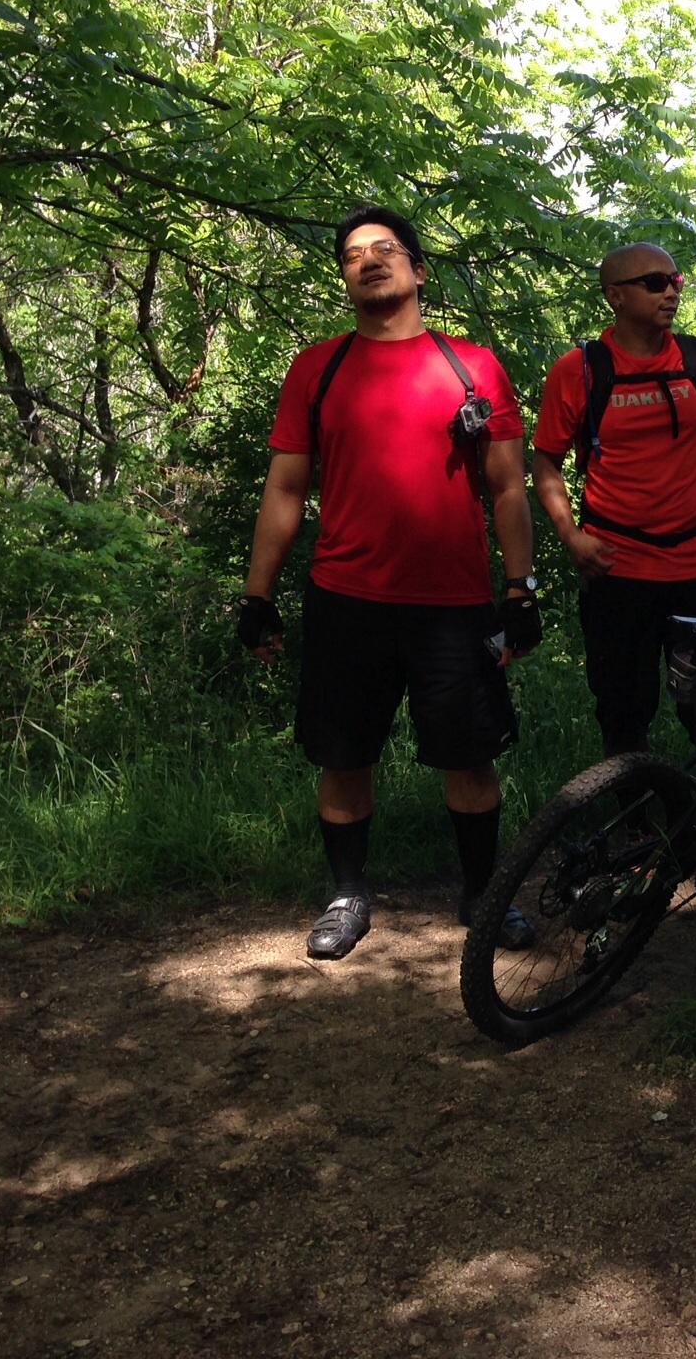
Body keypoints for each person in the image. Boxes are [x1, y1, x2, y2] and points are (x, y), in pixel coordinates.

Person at [238, 206, 542, 961]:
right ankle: (346, 896)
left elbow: (508, 489)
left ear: (417, 269)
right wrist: (257, 595)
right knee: (344, 758)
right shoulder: (318, 368)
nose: (367, 260)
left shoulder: (473, 366)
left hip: (454, 604)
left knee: (470, 757)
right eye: (351, 255)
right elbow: (284, 490)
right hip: (347, 599)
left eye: (384, 250)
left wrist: (521, 589)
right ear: (344, 277)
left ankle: (482, 893)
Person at [529, 242, 696, 757]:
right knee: (623, 710)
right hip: (617, 570)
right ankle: (632, 823)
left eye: (676, 281)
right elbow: (545, 463)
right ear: (615, 296)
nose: (672, 292)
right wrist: (570, 536)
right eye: (655, 283)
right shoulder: (580, 370)